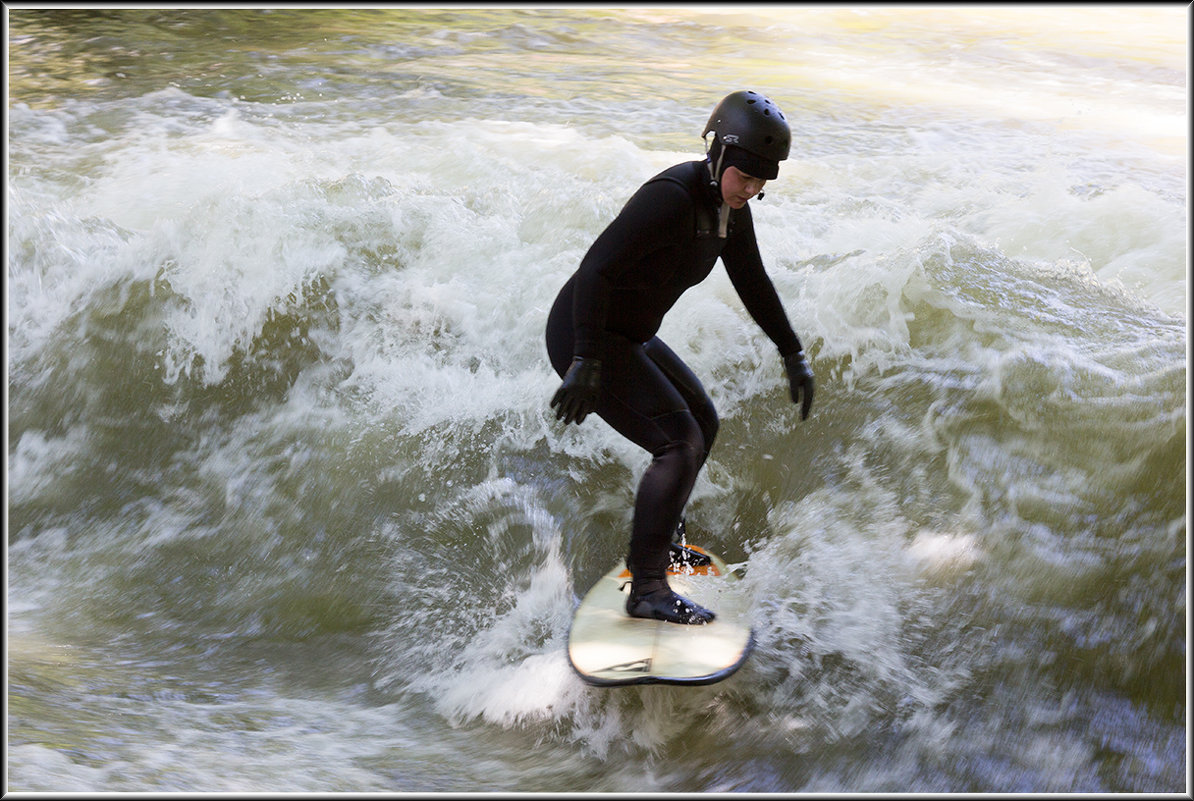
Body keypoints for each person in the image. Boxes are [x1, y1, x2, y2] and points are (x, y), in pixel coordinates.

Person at [546, 90, 815, 625]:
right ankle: (647, 587)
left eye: (764, 181)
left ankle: (659, 549)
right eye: (745, 175)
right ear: (717, 154)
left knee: (703, 424)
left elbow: (754, 283)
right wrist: (586, 360)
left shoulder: (729, 209)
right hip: (589, 331)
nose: (752, 188)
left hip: (632, 335)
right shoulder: (670, 196)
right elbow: (596, 269)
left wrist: (792, 351)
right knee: (678, 442)